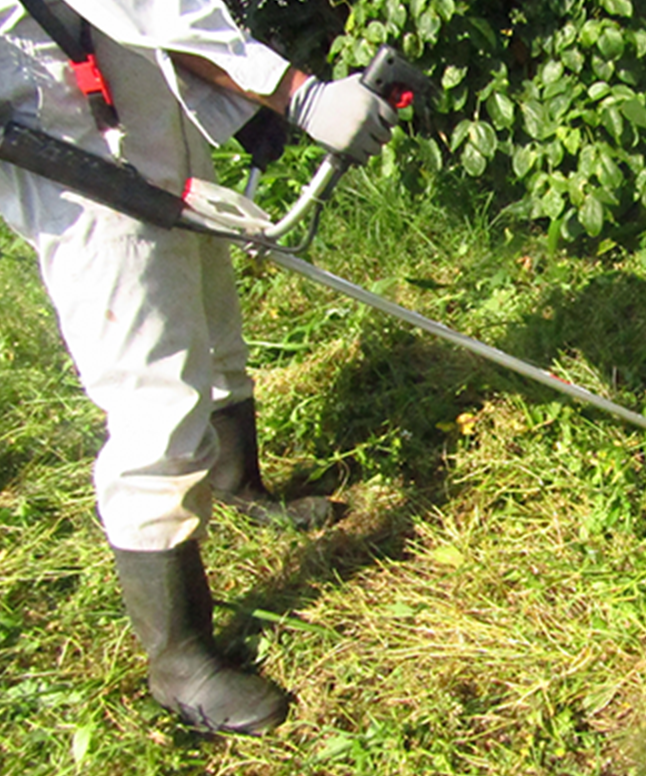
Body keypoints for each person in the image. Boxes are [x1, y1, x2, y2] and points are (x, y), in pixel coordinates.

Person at [0, 0, 397, 733]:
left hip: (133, 93)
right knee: (152, 385)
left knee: (212, 316)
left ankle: (236, 483)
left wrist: (242, 105)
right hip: (62, 121)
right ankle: (178, 659)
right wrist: (296, 91)